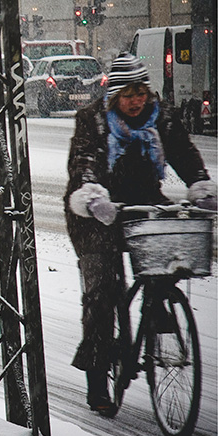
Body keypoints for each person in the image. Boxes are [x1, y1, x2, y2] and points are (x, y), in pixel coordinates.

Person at [64, 52, 215, 416]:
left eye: (141, 93)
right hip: (95, 211)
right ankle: (99, 376)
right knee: (103, 291)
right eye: (128, 95)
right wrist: (93, 196)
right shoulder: (94, 121)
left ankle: (157, 309)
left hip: (142, 202)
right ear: (114, 95)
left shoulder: (161, 116)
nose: (136, 101)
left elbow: (183, 152)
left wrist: (200, 184)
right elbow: (84, 162)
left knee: (165, 264)